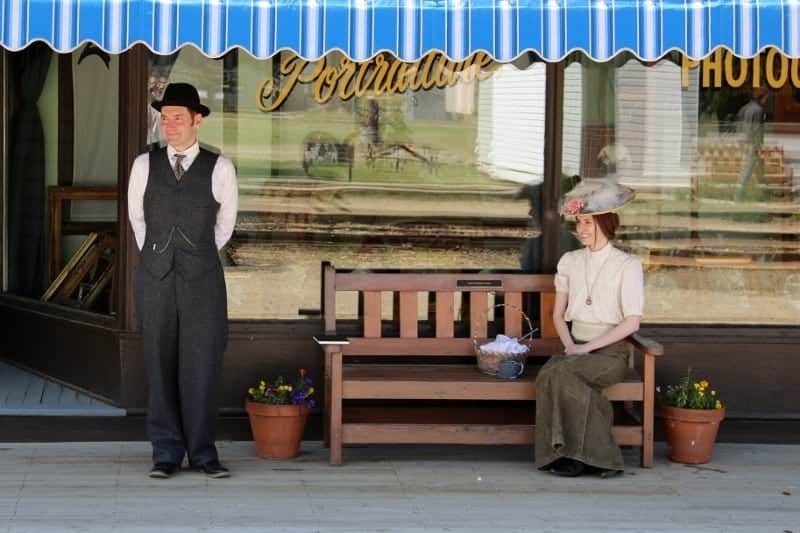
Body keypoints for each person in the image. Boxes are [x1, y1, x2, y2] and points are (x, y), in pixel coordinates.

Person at [128, 82, 239, 479]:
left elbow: (225, 226)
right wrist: (160, 253)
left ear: (197, 120)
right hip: (155, 278)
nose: (169, 125)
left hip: (203, 280)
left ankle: (204, 452)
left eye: (178, 118)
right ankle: (166, 453)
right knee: (159, 363)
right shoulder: (144, 165)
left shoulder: (220, 167)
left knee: (203, 364)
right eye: (165, 118)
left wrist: (195, 253)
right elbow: (138, 222)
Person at [534, 178, 644, 478]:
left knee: (566, 374)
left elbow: (632, 322)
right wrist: (570, 345)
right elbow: (559, 316)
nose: (581, 229)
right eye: (579, 222)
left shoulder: (627, 265)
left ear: (606, 223)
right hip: (575, 345)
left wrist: (586, 349)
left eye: (588, 222)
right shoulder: (569, 261)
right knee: (549, 375)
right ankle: (564, 455)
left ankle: (583, 458)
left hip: (609, 354)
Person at [734, 87, 768, 201]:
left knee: (759, 170)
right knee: (747, 171)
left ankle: (764, 194)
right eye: (766, 97)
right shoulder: (759, 110)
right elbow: (757, 129)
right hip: (754, 145)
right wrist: (759, 146)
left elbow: (738, 125)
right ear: (762, 97)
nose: (766, 100)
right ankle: (738, 196)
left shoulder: (744, 108)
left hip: (744, 142)